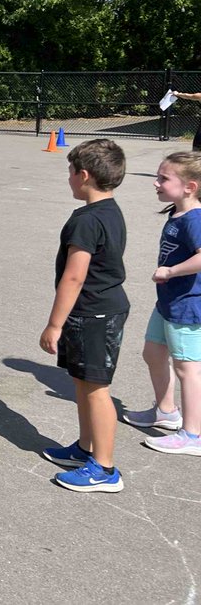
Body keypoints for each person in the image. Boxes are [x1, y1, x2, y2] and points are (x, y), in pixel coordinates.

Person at [39, 139, 129, 492]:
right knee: (83, 381)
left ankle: (105, 468)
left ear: (85, 175)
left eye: (70, 172)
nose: (69, 178)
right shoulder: (110, 211)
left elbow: (74, 277)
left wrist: (54, 324)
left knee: (96, 388)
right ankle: (85, 448)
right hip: (96, 311)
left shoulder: (87, 221)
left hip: (94, 314)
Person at [122, 152, 201, 455]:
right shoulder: (178, 213)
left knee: (187, 369)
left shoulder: (195, 219)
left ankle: (193, 434)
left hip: (186, 306)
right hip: (168, 302)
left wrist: (171, 271)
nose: (155, 182)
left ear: (190, 187)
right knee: (153, 353)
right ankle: (166, 411)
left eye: (163, 178)